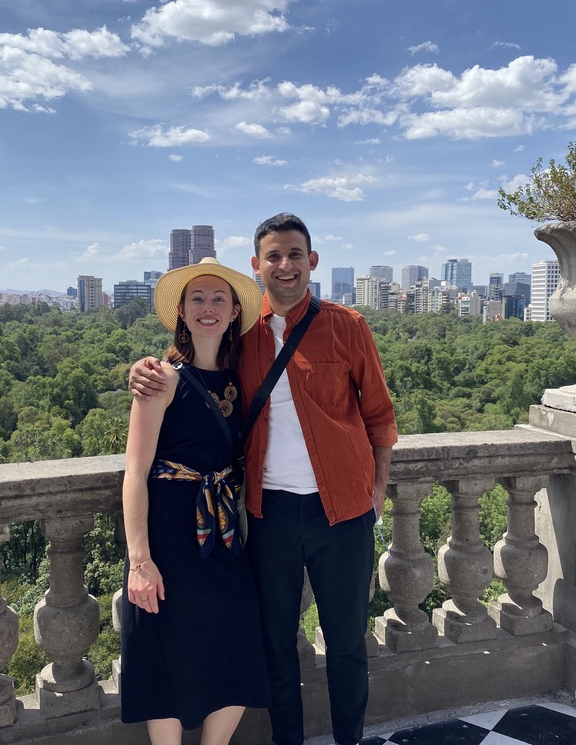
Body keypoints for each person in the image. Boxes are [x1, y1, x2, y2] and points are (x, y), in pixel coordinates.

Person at [130, 213, 398, 745]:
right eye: (273, 256)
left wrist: (378, 489)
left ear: (311, 261)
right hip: (267, 512)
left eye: (294, 254)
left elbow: (380, 418)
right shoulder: (243, 337)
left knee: (346, 642)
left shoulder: (348, 326)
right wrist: (142, 368)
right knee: (275, 643)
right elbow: (191, 374)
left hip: (341, 511)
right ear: (257, 268)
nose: (285, 265)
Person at [120, 257, 270, 745]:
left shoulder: (241, 377)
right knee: (164, 644)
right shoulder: (160, 379)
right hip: (169, 530)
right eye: (197, 298)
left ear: (232, 313)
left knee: (241, 636)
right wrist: (140, 560)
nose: (208, 307)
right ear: (181, 311)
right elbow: (135, 474)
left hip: (222, 529)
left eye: (218, 299)